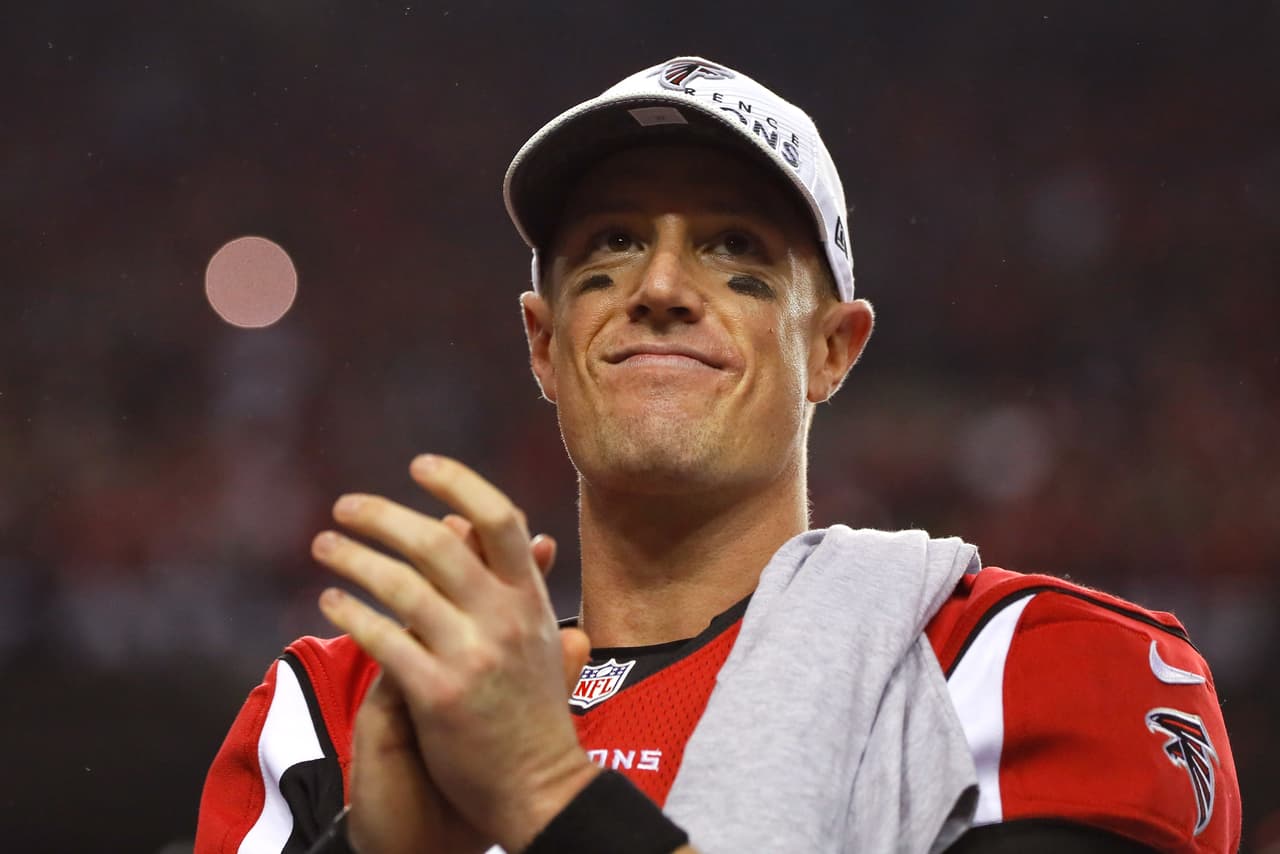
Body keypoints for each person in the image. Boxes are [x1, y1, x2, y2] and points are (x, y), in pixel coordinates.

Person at [195, 57, 1241, 854]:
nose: (657, 282)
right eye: (606, 244)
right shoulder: (345, 706)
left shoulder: (1032, 664)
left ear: (830, 349)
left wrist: (539, 792)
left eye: (734, 246)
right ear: (544, 344)